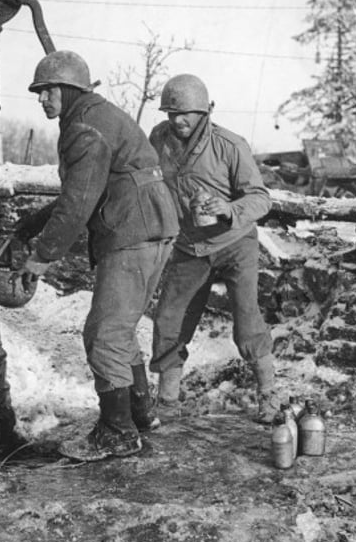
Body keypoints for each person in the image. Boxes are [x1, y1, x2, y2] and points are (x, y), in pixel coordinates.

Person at [14, 50, 179, 461]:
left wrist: (40, 257)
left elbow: (79, 202)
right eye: (39, 91)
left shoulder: (83, 128)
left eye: (47, 90)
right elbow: (88, 190)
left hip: (130, 232)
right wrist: (35, 221)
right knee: (119, 329)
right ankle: (139, 413)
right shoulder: (97, 115)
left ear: (68, 90)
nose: (41, 99)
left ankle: (117, 431)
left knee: (102, 334)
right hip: (153, 226)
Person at [148, 73, 278, 423]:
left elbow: (261, 198)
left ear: (206, 111)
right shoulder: (159, 139)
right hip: (190, 247)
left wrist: (229, 209)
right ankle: (168, 402)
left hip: (235, 243)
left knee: (247, 321)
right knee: (168, 320)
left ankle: (269, 396)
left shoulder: (229, 145)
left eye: (187, 113)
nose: (178, 120)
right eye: (171, 113)